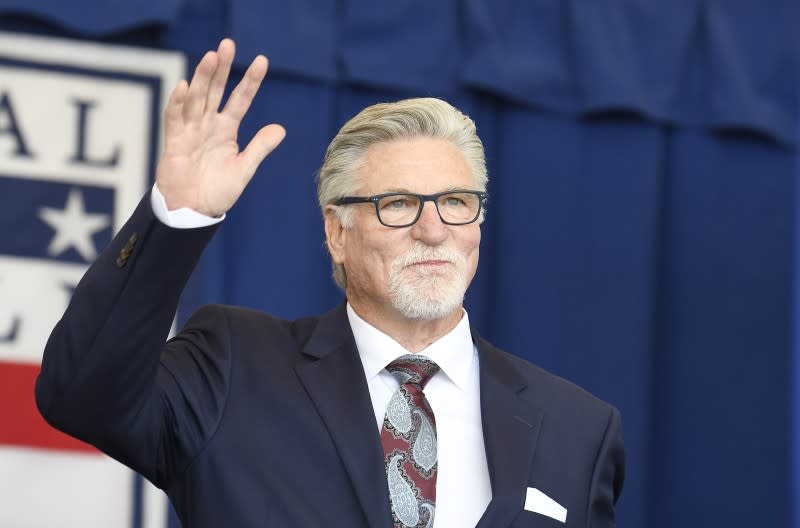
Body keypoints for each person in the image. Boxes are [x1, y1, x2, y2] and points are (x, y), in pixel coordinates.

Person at [36, 39, 624, 527]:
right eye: (397, 203)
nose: (432, 229)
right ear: (336, 232)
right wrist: (178, 217)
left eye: (455, 202)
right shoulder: (233, 366)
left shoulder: (577, 427)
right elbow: (80, 395)